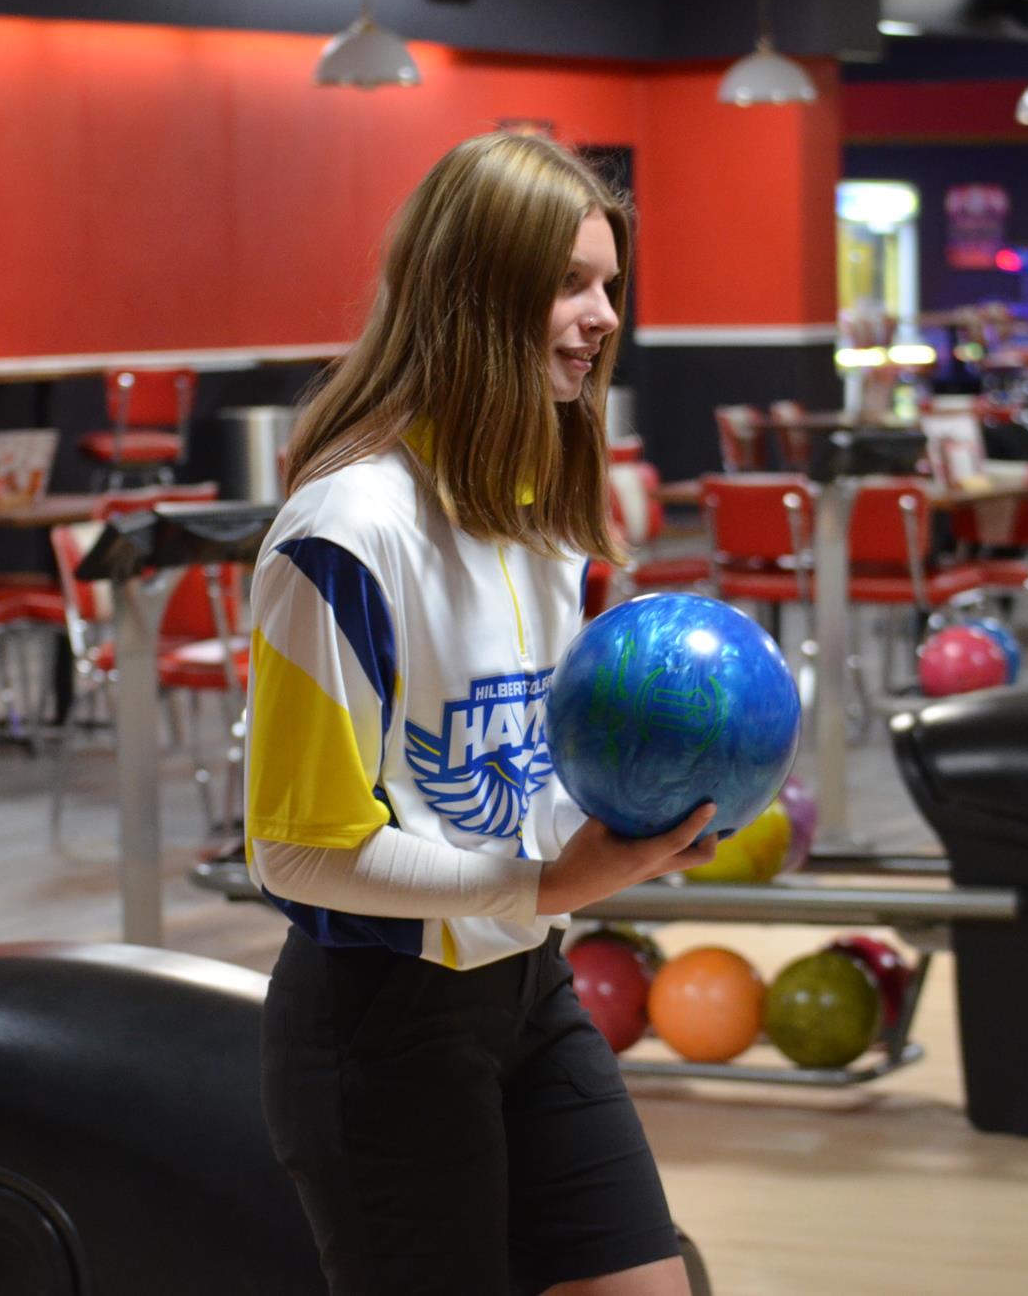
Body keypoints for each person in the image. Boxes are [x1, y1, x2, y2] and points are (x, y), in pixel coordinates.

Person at [245, 132, 717, 1296]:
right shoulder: (343, 533)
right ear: (473, 292)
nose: (603, 313)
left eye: (608, 282)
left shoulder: (534, 505)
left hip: (525, 985)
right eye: (568, 281)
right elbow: (296, 847)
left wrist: (635, 808)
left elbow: (523, 778)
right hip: (377, 1028)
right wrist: (547, 882)